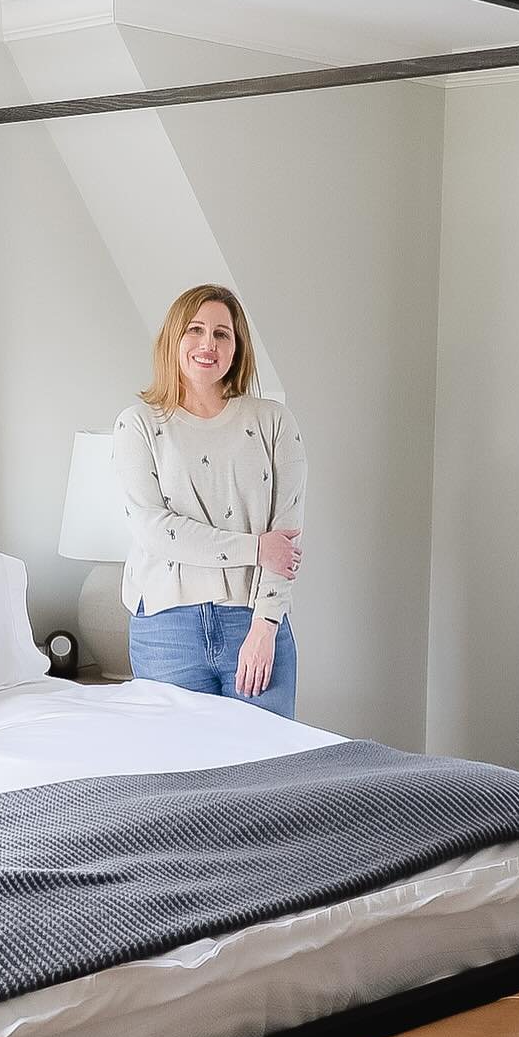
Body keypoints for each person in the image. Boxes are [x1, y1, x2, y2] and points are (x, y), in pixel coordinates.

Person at [112, 284, 306, 718]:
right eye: (195, 329)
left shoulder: (274, 422)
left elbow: (286, 538)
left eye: (223, 334)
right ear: (173, 340)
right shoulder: (138, 425)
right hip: (166, 627)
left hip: (252, 618)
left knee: (267, 773)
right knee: (179, 776)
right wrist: (256, 548)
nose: (208, 344)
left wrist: (264, 627)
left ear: (237, 348)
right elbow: (155, 531)